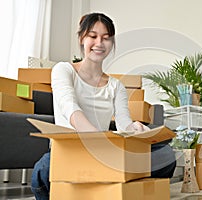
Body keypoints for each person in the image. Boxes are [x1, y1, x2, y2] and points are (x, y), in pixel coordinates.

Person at [31, 13, 176, 200]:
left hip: (105, 154)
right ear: (82, 38)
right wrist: (97, 140)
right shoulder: (63, 70)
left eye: (106, 38)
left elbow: (124, 124)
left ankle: (118, 188)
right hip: (71, 152)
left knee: (166, 155)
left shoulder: (116, 86)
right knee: (43, 169)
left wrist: (137, 128)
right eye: (93, 36)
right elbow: (71, 110)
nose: (99, 43)